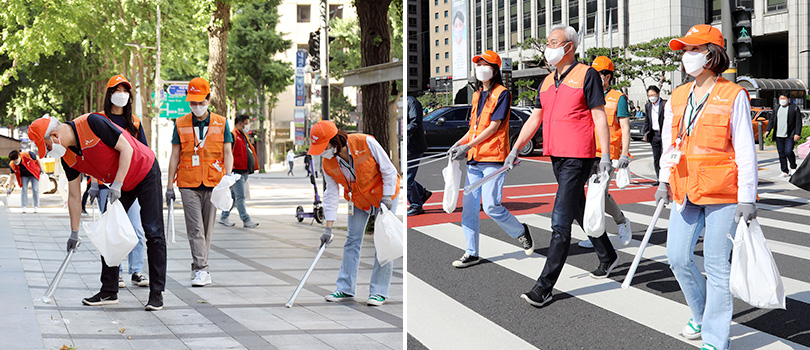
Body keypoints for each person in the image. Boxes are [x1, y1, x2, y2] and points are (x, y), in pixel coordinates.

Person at [656, 25, 757, 350]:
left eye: (694, 49)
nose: (687, 56)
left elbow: (745, 149)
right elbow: (669, 142)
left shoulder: (733, 95)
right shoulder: (678, 95)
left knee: (715, 265)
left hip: (723, 194)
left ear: (711, 54)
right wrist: (662, 179)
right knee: (676, 257)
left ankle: (715, 338)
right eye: (684, 50)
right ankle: (700, 313)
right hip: (684, 188)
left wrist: (747, 198)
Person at [508, 25, 618, 307]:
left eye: (554, 41)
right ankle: (608, 255)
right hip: (556, 155)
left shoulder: (587, 74)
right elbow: (534, 119)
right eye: (548, 42)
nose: (549, 46)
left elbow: (598, 116)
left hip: (578, 156)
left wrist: (605, 155)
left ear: (569, 46)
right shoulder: (546, 82)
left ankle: (543, 287)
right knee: (577, 208)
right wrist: (515, 148)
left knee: (560, 222)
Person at [27, 113, 167, 311]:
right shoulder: (67, 156)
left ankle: (156, 293)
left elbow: (126, 148)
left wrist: (117, 184)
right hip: (122, 183)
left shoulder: (92, 123)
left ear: (55, 137)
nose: (49, 152)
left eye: (47, 147)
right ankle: (109, 290)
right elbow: (74, 196)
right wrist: (74, 233)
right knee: (108, 231)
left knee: (153, 231)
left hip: (144, 170)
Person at [448, 50, 534, 268]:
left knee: (491, 206)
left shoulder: (502, 93)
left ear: (494, 70)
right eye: (478, 64)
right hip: (475, 158)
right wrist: (459, 144)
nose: (480, 68)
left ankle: (520, 231)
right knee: (468, 208)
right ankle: (471, 252)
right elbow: (474, 129)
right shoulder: (477, 95)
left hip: (494, 158)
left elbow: (494, 126)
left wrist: (467, 145)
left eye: (485, 64)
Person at [308, 120, 400, 306]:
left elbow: (389, 170)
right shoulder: (328, 163)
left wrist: (387, 196)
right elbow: (331, 194)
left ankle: (379, 292)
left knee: (383, 241)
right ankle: (345, 288)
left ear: (334, 141)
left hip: (385, 196)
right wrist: (328, 229)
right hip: (358, 200)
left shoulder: (365, 142)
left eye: (323, 146)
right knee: (352, 240)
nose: (321, 152)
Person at [166, 77, 234, 288]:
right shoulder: (180, 123)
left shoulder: (221, 122)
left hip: (214, 182)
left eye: (200, 102)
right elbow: (174, 156)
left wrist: (229, 176)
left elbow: (227, 151)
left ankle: (197, 266)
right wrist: (169, 185)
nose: (196, 106)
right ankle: (203, 270)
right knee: (195, 228)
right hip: (188, 183)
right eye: (192, 102)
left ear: (208, 99)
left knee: (206, 230)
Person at [87, 75, 149, 288]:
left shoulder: (134, 121)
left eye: (125, 90)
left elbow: (144, 152)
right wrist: (94, 183)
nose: (121, 94)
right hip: (107, 184)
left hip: (130, 184)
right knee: (111, 229)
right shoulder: (99, 120)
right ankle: (116, 273)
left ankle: (137, 270)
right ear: (109, 94)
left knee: (136, 229)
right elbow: (93, 155)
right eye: (117, 90)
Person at [578, 56, 632, 249]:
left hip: (608, 155)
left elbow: (625, 128)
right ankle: (594, 234)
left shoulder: (618, 99)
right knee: (590, 195)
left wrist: (625, 154)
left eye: (598, 74)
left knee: (599, 194)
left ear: (607, 76)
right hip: (588, 153)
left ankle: (620, 221)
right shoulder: (587, 97)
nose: (593, 77)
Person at [218, 114, 259, 228]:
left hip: (244, 172)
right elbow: (228, 153)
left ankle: (224, 216)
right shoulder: (233, 135)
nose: (248, 126)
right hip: (237, 172)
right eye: (246, 123)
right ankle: (246, 219)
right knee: (240, 197)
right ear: (240, 123)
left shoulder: (243, 135)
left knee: (234, 197)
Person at [765, 91, 803, 177]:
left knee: (788, 151)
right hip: (779, 135)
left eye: (784, 98)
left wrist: (797, 133)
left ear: (788, 99)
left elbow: (798, 122)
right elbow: (771, 120)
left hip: (790, 134)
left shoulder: (794, 108)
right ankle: (784, 171)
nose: (782, 100)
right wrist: (768, 130)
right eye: (780, 98)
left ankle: (793, 167)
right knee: (781, 153)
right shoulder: (776, 108)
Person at [406, 95, 432, 216]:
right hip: (408, 145)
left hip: (413, 145)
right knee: (407, 177)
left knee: (407, 179)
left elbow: (415, 123)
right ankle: (422, 194)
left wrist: (402, 130)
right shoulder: (408, 102)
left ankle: (416, 205)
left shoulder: (411, 102)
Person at [644, 85, 667, 182]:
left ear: (658, 94)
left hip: (664, 134)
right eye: (649, 95)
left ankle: (666, 179)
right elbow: (647, 120)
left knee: (664, 158)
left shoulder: (665, 104)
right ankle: (659, 178)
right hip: (654, 135)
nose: (651, 97)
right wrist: (645, 132)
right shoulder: (648, 106)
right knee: (656, 158)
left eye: (653, 94)